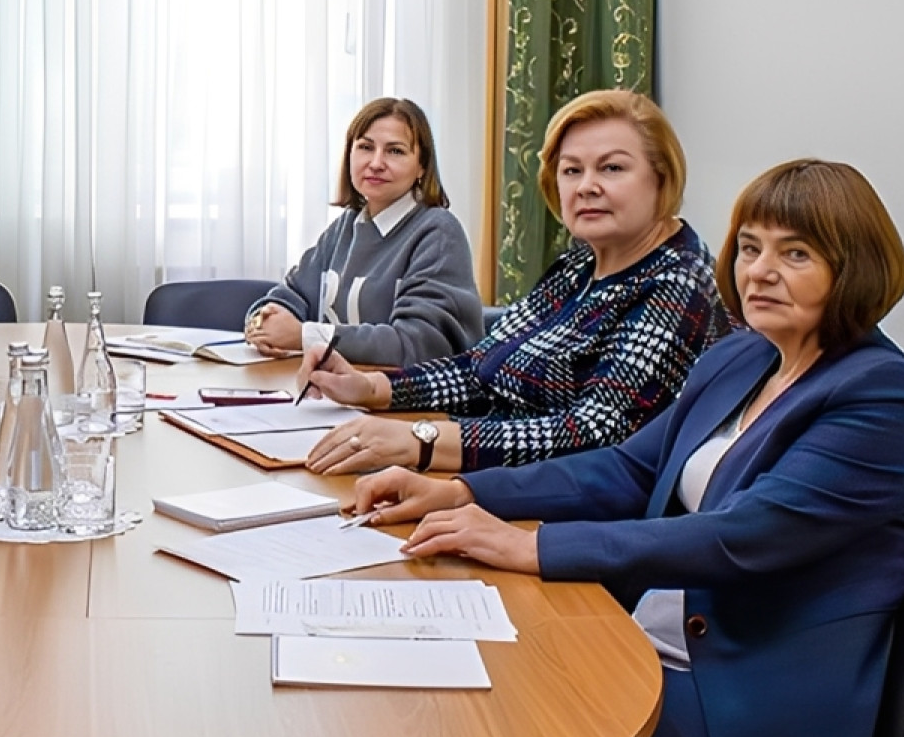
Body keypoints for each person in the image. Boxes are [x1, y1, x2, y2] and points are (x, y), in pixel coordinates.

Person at [353, 159, 904, 737]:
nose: (760, 270)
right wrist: (466, 490)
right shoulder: (744, 355)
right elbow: (629, 468)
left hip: (744, 703)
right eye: (750, 247)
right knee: (444, 680)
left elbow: (740, 538)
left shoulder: (883, 399)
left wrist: (536, 547)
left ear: (855, 266)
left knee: (486, 725)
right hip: (653, 643)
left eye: (795, 253)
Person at [299, 89, 731, 474]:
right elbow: (480, 367)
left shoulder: (677, 282)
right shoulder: (580, 265)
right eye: (571, 170)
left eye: (612, 168)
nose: (586, 186)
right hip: (487, 472)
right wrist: (372, 387)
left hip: (563, 509)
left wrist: (423, 440)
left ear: (662, 178)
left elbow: (596, 431)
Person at [243, 97, 484, 365]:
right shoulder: (344, 227)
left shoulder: (439, 233)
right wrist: (262, 323)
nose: (376, 163)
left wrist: (305, 336)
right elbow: (290, 296)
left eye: (395, 151)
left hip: (403, 391)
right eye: (366, 147)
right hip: (334, 387)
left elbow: (418, 344)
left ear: (422, 167)